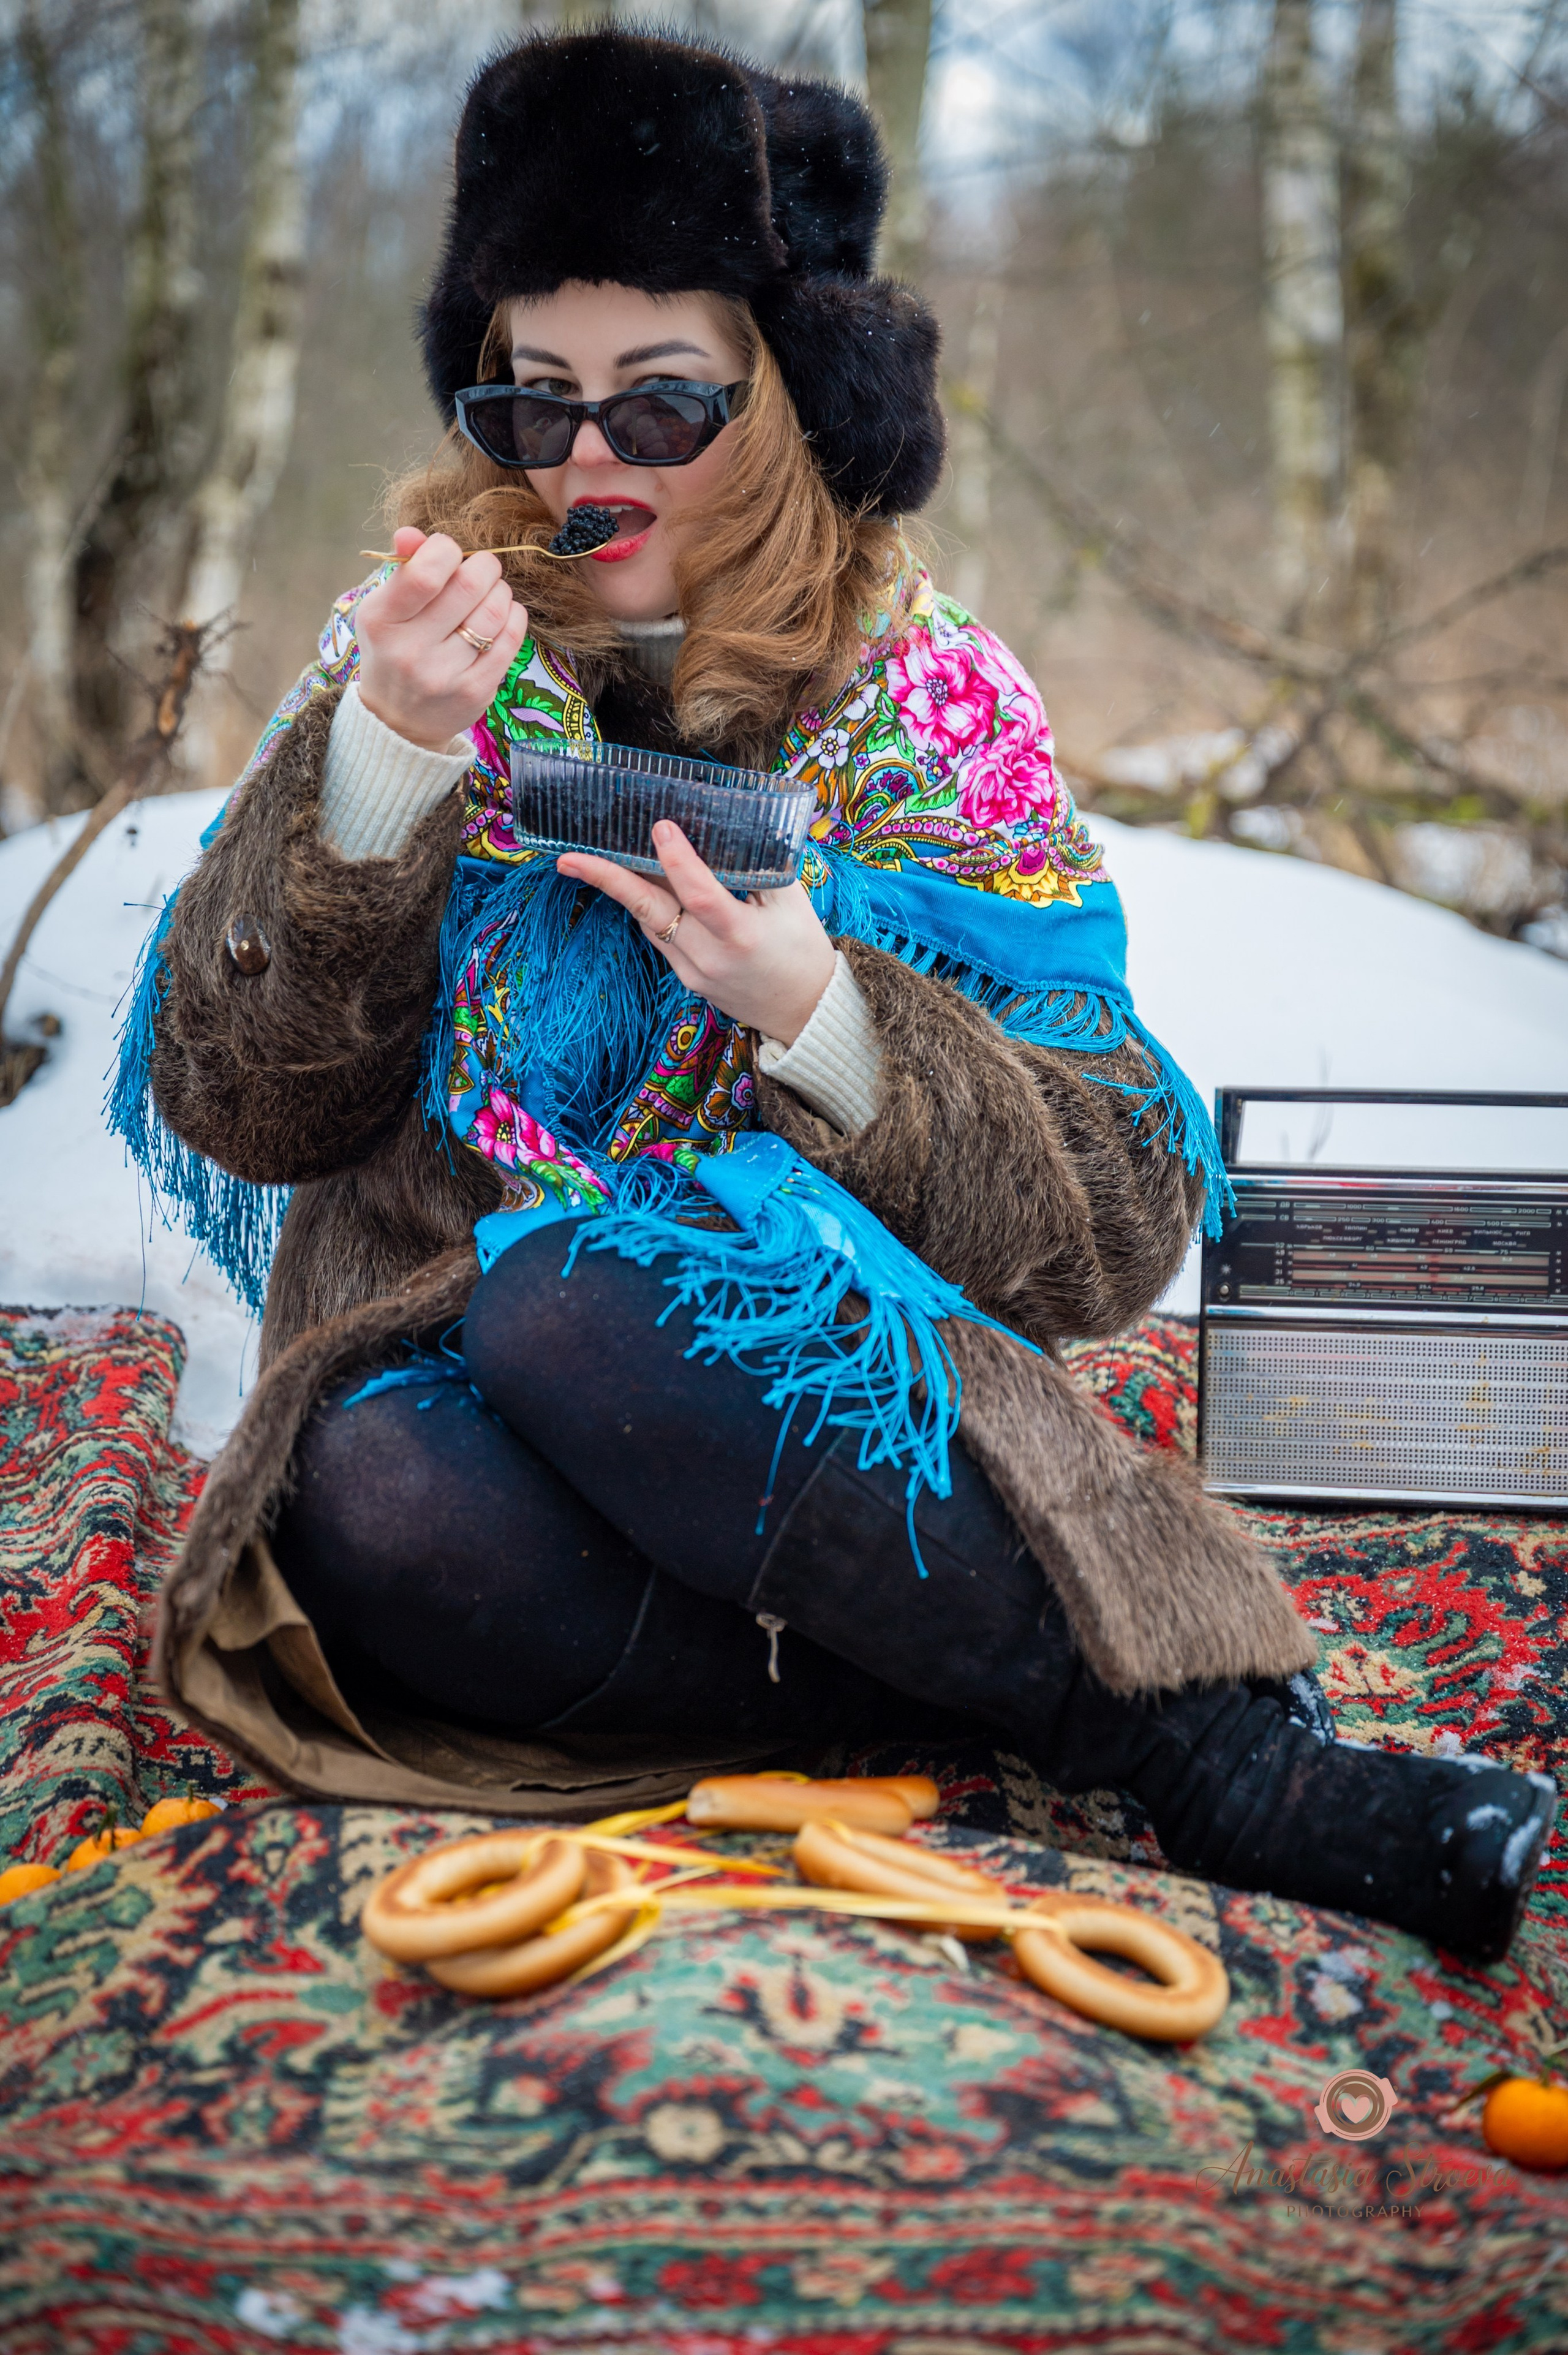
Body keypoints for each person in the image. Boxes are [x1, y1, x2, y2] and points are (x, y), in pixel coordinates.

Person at [122, 28, 1551, 1962]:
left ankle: (1205, 1744)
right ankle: (974, 1655)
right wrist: (378, 774)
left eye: (662, 402)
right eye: (534, 403)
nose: (586, 465)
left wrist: (827, 1017)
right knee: (365, 1486)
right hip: (471, 1422)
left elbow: (1115, 1215)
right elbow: (241, 1105)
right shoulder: (403, 646)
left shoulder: (930, 702)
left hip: (790, 1384)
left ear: (795, 402)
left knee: (583, 1290)